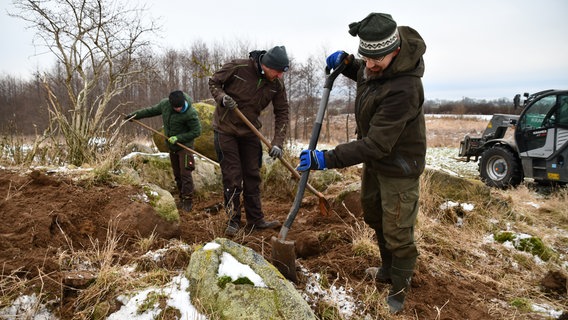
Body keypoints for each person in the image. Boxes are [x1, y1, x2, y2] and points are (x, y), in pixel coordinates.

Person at [297, 13, 426, 314]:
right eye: (364, 58)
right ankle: (386, 270)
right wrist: (349, 64)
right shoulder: (376, 64)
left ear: (394, 51)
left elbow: (378, 143)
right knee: (374, 216)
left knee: (398, 230)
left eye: (374, 60)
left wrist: (325, 159)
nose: (368, 66)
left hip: (399, 166)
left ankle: (399, 290)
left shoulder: (405, 88)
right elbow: (368, 77)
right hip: (376, 162)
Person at [209, 45, 291, 236]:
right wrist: (222, 98)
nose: (279, 76)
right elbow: (213, 82)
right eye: (277, 71)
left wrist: (278, 142)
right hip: (225, 129)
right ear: (266, 65)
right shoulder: (237, 67)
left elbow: (283, 112)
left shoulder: (276, 85)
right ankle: (233, 220)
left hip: (250, 131)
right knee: (233, 176)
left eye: (282, 73)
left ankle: (256, 220)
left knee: (252, 176)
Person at [125, 90, 202, 212]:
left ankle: (188, 200)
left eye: (181, 106)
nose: (179, 109)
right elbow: (150, 111)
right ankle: (181, 198)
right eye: (176, 107)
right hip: (172, 148)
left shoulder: (190, 113)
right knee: (177, 174)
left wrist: (179, 138)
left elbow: (196, 131)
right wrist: (135, 115)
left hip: (185, 147)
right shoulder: (165, 105)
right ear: (171, 104)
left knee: (185, 174)